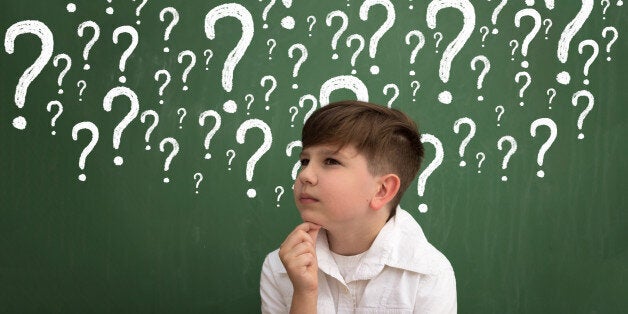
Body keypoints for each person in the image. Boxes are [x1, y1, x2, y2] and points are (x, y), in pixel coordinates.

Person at [260, 100, 456, 313]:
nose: (305, 175)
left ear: (382, 190)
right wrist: (304, 295)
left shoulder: (427, 272)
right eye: (305, 161)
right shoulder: (280, 267)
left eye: (331, 161)